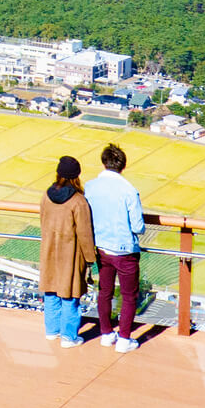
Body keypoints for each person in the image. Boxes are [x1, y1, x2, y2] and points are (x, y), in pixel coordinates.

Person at [84, 142, 145, 352]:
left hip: (100, 247)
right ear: (123, 166)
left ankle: (106, 333)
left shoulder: (90, 187)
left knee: (104, 292)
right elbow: (138, 226)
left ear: (103, 163)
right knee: (129, 296)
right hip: (125, 250)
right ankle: (125, 339)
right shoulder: (129, 190)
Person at [37, 154, 96, 349]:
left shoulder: (46, 196)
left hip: (48, 251)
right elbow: (85, 233)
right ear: (76, 176)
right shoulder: (78, 201)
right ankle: (69, 337)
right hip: (70, 255)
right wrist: (90, 258)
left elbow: (43, 221)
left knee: (51, 291)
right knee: (70, 295)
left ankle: (51, 331)